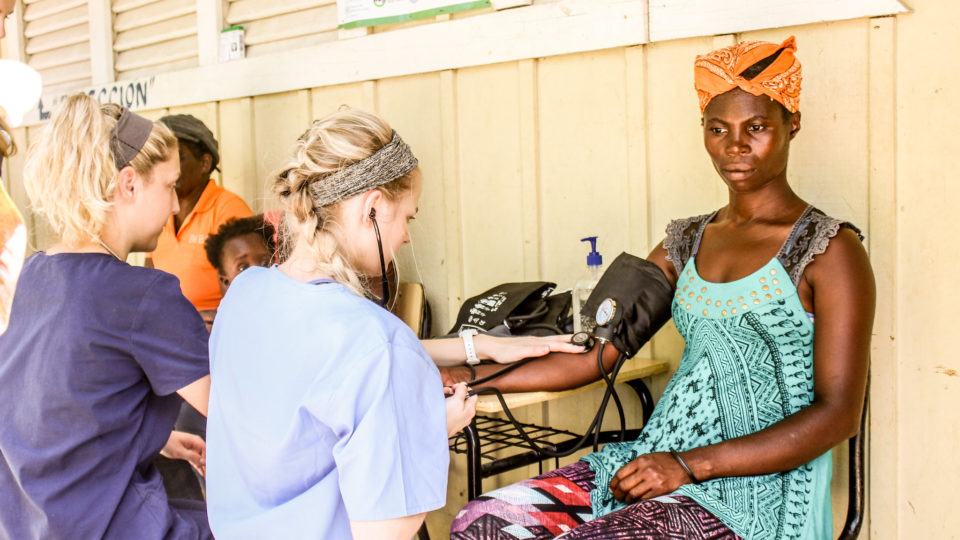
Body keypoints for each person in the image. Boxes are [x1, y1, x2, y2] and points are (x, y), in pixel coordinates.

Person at [451, 36, 874, 539]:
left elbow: (837, 414)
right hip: (651, 466)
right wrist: (465, 380)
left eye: (756, 127)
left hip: (754, 495)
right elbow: (594, 356)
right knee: (483, 523)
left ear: (792, 125)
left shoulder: (829, 249)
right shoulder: (684, 242)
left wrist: (689, 465)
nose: (735, 146)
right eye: (718, 129)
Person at [205, 109, 478, 539]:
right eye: (408, 216)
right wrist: (428, 429)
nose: (406, 236)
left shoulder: (242, 295)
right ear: (372, 207)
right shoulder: (378, 343)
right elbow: (385, 532)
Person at [0, 95, 213, 538]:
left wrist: (149, 436)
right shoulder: (142, 294)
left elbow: (51, 404)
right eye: (170, 186)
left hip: (29, 519)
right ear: (129, 184)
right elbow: (236, 412)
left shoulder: (32, 274)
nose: (175, 206)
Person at [147, 114, 252, 326]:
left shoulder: (228, 209)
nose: (168, 167)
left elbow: (251, 290)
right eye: (161, 158)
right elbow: (148, 279)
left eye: (179, 157)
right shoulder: (159, 208)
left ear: (204, 163)